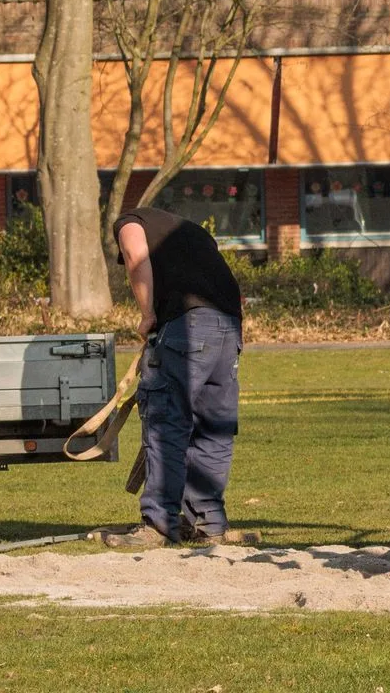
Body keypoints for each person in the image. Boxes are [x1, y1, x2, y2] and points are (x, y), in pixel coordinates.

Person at [101, 206, 251, 548]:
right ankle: (208, 523)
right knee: (214, 428)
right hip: (228, 328)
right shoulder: (193, 230)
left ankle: (159, 523)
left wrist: (147, 315)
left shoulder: (129, 222)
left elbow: (136, 257)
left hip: (187, 325)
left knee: (166, 423)